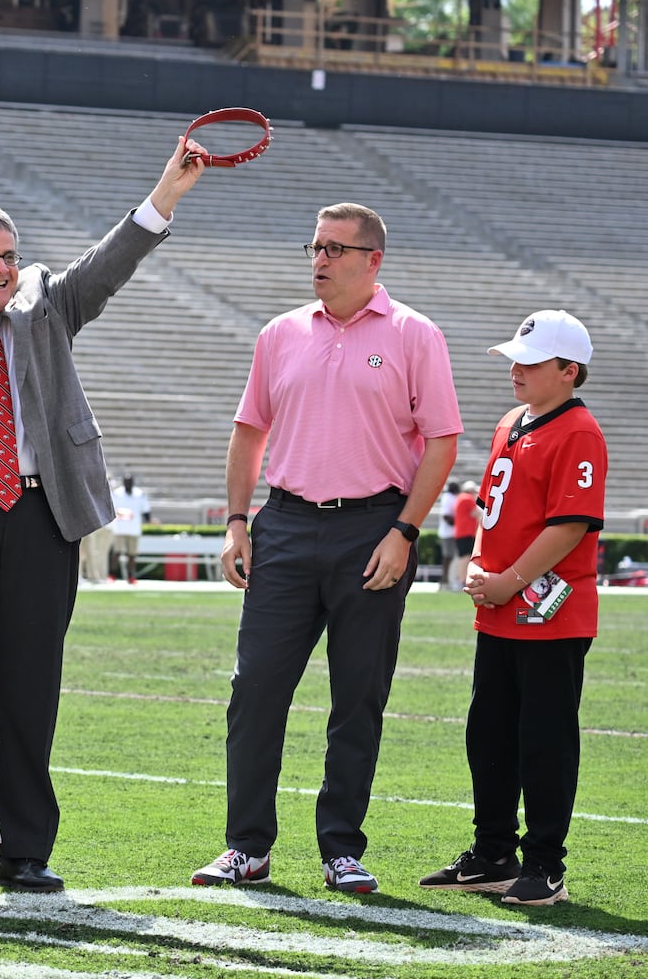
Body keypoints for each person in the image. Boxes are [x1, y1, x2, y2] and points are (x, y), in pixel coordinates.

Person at [0, 133, 208, 892]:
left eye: (9, 254)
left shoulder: (45, 309)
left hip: (40, 525)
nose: (2, 268)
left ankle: (25, 853)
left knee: (28, 698)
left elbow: (108, 267)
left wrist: (166, 194)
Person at [192, 202, 461, 894]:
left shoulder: (415, 335)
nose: (321, 259)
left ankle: (341, 847)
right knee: (254, 692)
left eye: (337, 248)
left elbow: (441, 441)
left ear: (374, 261)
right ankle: (246, 848)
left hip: (372, 530)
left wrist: (404, 532)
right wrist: (236, 522)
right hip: (282, 526)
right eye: (314, 246)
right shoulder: (279, 334)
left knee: (358, 696)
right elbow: (250, 431)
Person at [419, 310, 606, 907]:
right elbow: (490, 508)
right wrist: (478, 563)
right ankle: (493, 851)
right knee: (489, 732)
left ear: (568, 371)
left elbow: (572, 523)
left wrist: (512, 578)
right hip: (500, 608)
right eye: (516, 360)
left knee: (544, 739)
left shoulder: (578, 432)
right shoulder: (511, 422)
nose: (516, 371)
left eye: (531, 362)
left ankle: (545, 863)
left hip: (551, 615)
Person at [110, 474, 151, 583]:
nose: (128, 484)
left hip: (134, 529)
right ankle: (112, 575)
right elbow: (111, 507)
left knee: (132, 554)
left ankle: (131, 576)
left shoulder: (139, 494)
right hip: (119, 528)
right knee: (117, 552)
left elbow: (146, 511)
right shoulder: (117, 493)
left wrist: (150, 520)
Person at [452, 479, 480, 589]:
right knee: (465, 557)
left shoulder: (460, 498)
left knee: (463, 557)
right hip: (466, 533)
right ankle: (462, 580)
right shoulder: (467, 499)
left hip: (461, 532)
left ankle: (460, 580)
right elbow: (476, 513)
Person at [437, 480, 460, 590]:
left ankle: (447, 580)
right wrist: (460, 521)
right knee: (449, 557)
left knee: (450, 558)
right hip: (448, 532)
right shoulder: (448, 498)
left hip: (450, 532)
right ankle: (445, 581)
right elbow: (446, 516)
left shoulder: (449, 497)